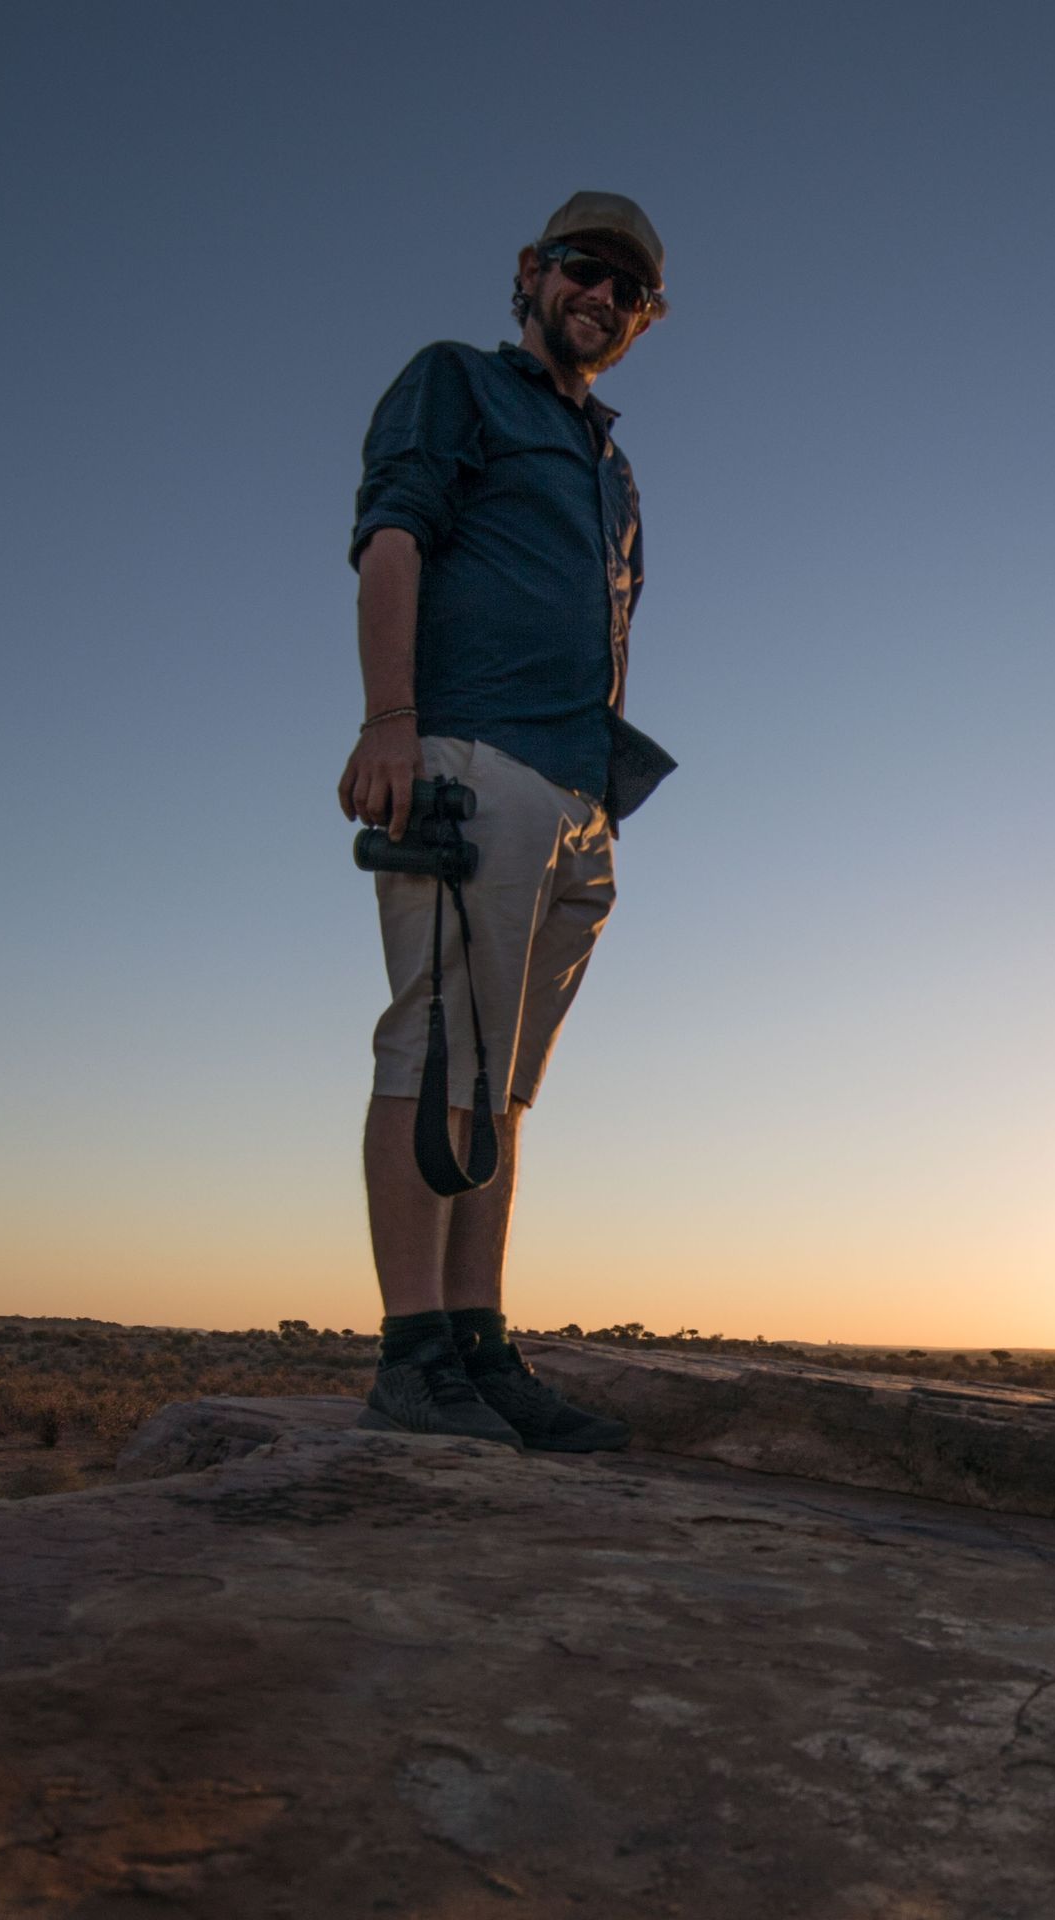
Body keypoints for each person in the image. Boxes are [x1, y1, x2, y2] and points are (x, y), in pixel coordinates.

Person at [335, 192, 673, 1451]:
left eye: (630, 293)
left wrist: (597, 803)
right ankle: (412, 1353)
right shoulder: (456, 386)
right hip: (472, 755)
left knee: (504, 1091)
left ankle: (478, 1345)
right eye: (588, 272)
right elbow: (393, 541)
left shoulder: (613, 464)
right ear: (531, 273)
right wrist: (390, 724)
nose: (604, 300)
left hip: (581, 796)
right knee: (435, 1055)